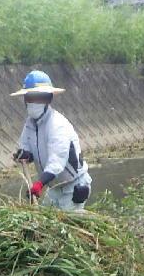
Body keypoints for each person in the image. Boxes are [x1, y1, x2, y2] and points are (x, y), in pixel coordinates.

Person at [11, 71, 91, 212]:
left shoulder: (57, 124)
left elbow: (56, 162)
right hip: (54, 187)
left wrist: (39, 184)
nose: (33, 102)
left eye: (38, 97)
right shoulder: (30, 124)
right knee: (46, 222)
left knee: (67, 227)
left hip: (74, 187)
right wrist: (24, 155)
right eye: (30, 98)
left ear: (48, 99)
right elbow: (27, 148)